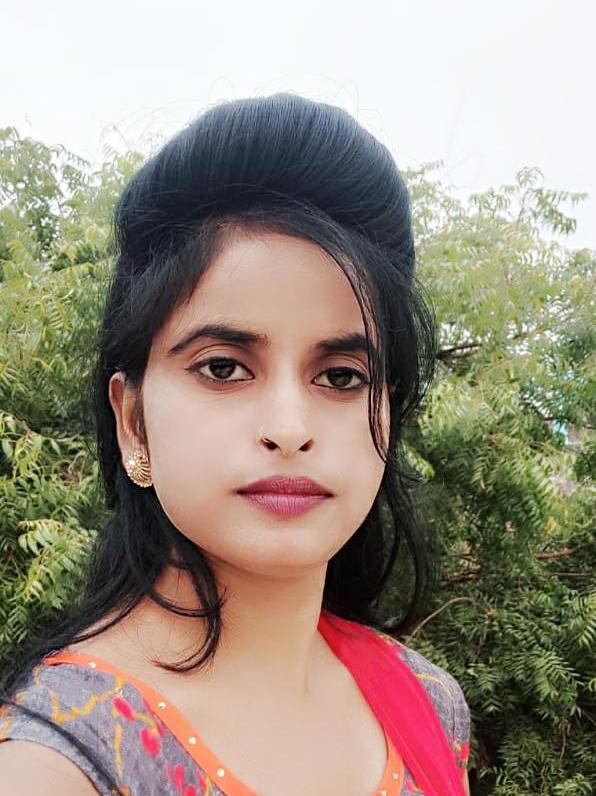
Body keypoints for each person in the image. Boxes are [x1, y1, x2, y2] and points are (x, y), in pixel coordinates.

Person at [0, 93, 471, 795]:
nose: (290, 426)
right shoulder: (64, 759)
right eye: (223, 368)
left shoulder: (429, 704)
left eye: (341, 376)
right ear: (132, 420)